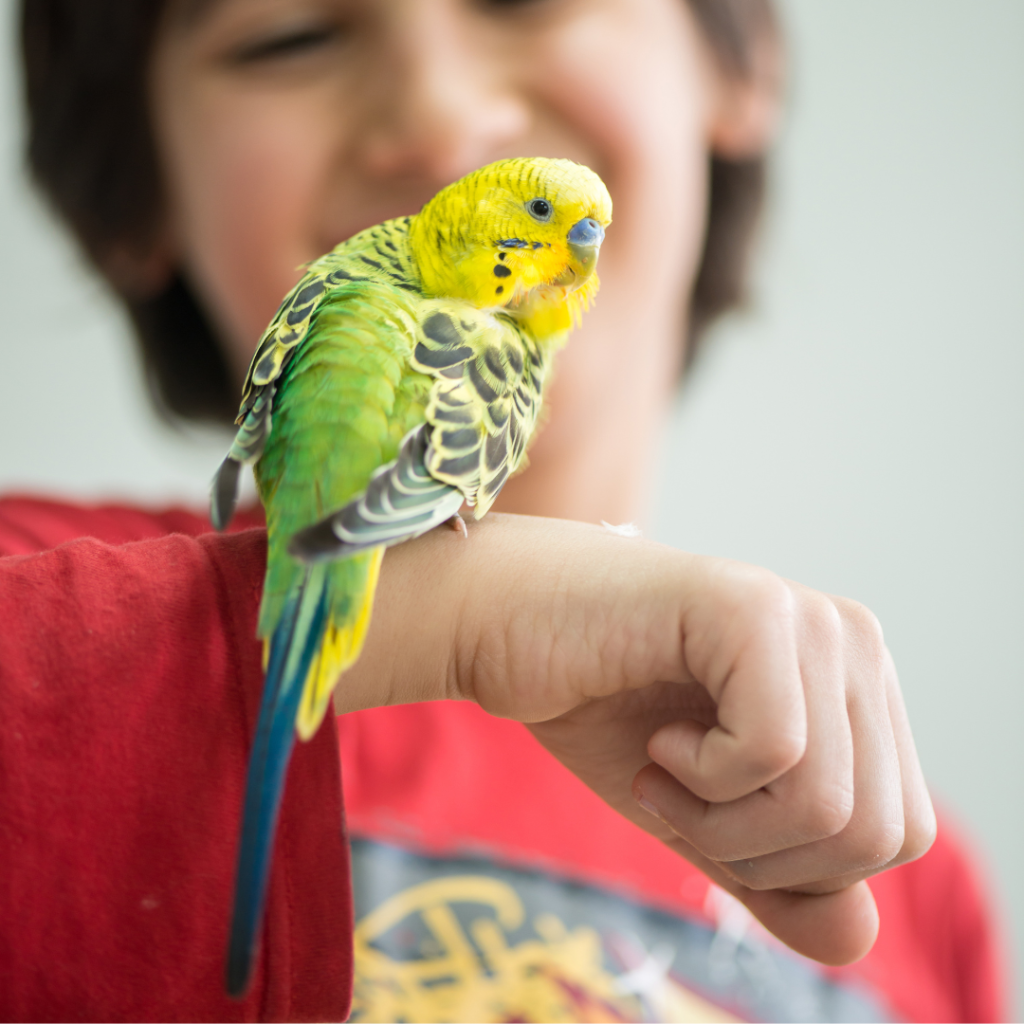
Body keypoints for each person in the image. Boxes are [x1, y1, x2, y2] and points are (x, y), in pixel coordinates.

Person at [2, 0, 1003, 1020]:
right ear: (132, 195)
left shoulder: (873, 854)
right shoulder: (31, 581)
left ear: (737, 69)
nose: (443, 123)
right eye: (289, 38)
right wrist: (462, 611)